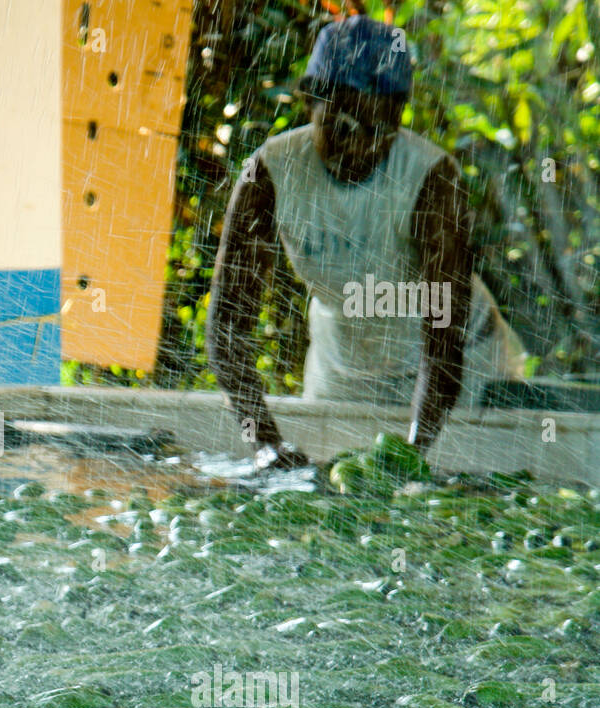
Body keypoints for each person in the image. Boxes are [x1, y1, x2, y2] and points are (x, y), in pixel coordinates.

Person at [206, 14, 526, 470]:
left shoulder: (433, 181)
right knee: (327, 497)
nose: (355, 148)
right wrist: (263, 444)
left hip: (462, 364)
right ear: (309, 103)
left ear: (397, 119)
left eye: (374, 130)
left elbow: (443, 343)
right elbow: (227, 329)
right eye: (339, 125)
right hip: (344, 364)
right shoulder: (269, 175)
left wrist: (414, 454)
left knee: (450, 494)